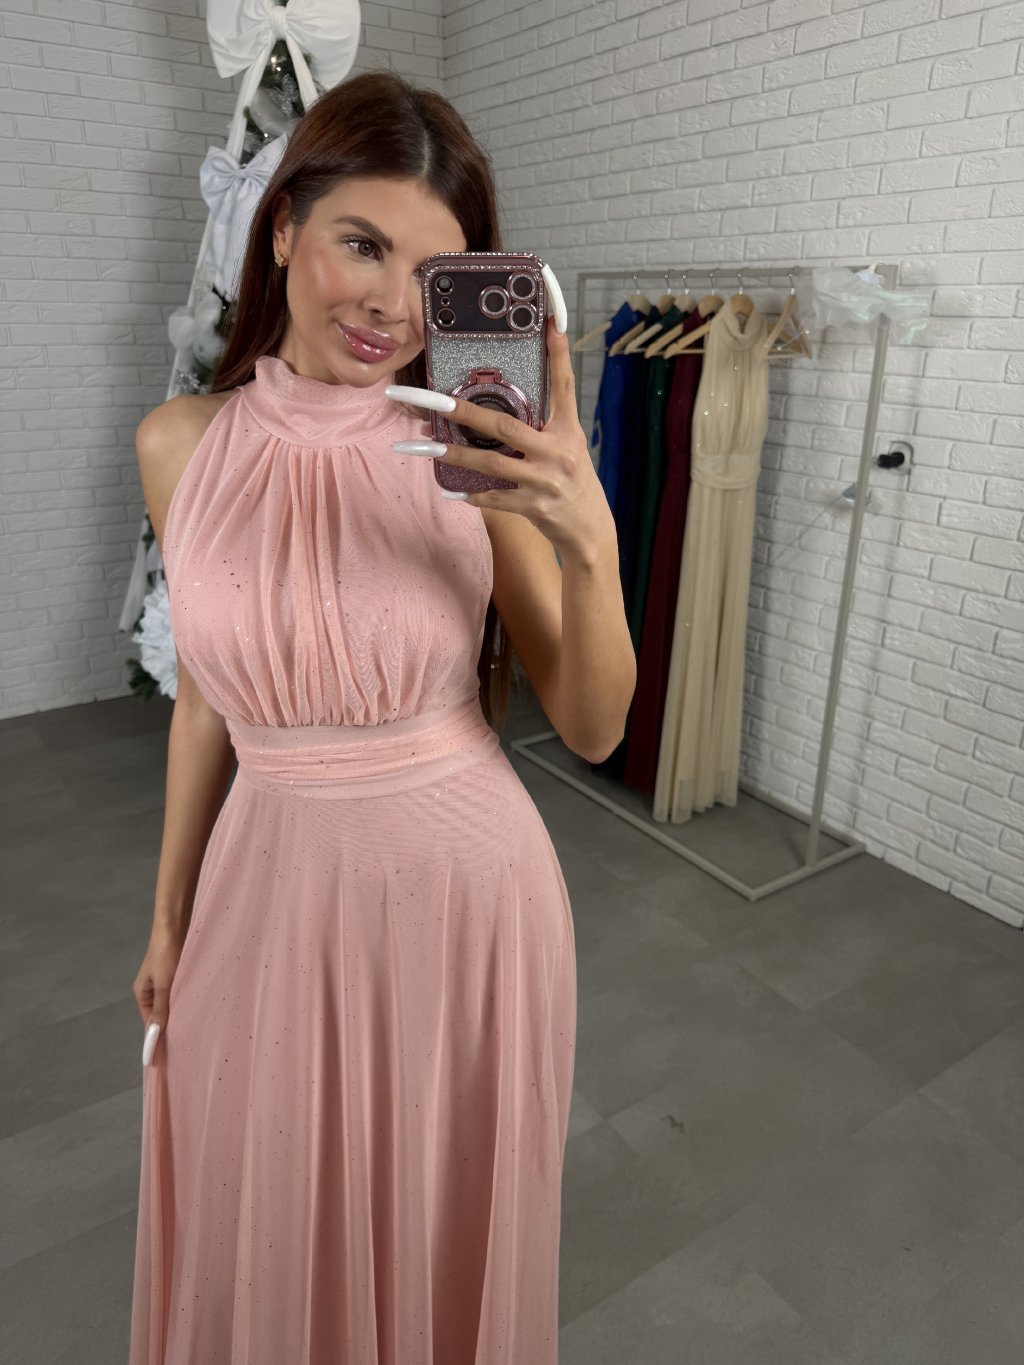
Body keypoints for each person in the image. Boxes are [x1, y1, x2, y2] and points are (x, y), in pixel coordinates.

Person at [128, 69, 635, 1365]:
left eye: (433, 273)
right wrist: (170, 914)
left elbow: (591, 727)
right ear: (282, 227)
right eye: (362, 243)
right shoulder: (179, 445)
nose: (393, 306)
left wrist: (589, 542)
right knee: (264, 1216)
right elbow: (207, 698)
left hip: (470, 903)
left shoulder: (471, 454)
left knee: (436, 1227)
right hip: (266, 887)